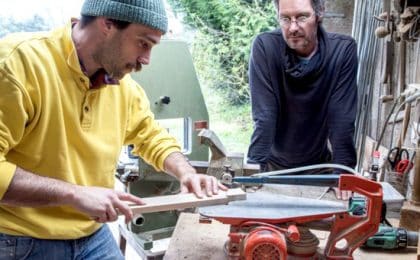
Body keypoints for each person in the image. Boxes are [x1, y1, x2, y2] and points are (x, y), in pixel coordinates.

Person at [0, 0, 225, 259]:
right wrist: (75, 194)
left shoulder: (123, 87)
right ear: (107, 23)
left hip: (91, 234)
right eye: (143, 43)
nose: (146, 59)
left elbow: (150, 135)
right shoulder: (17, 66)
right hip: (20, 238)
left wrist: (186, 173)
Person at [247, 0, 358, 200]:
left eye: (302, 17)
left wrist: (344, 173)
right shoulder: (265, 47)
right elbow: (265, 116)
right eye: (285, 19)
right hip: (273, 166)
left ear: (319, 13)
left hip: (318, 168)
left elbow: (341, 118)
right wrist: (253, 170)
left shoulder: (342, 51)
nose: (293, 28)